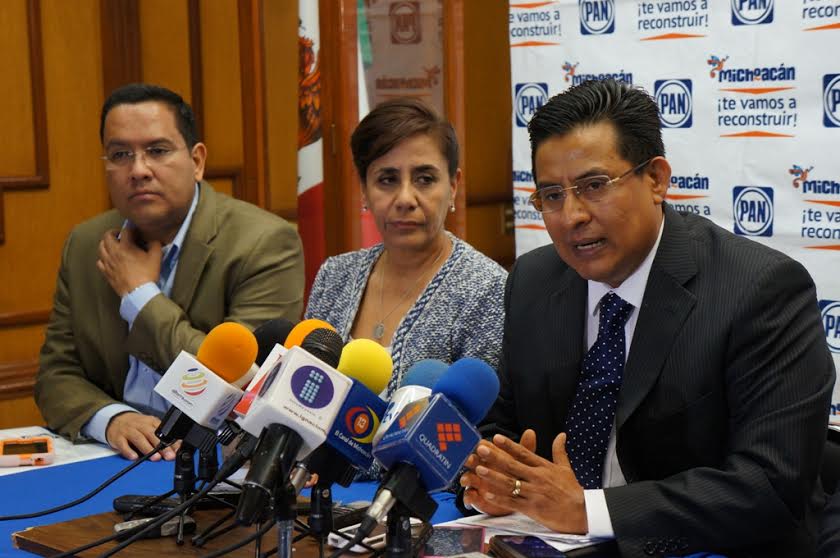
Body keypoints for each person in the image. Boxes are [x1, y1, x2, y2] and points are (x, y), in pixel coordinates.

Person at [460, 79, 835, 557]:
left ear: (656, 179)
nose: (571, 216)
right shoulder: (534, 281)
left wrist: (589, 511)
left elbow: (769, 486)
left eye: (594, 186)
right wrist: (492, 480)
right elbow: (502, 426)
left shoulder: (759, 290)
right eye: (551, 195)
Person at [35, 83, 304, 461]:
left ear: (197, 161)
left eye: (157, 151)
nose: (138, 170)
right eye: (120, 154)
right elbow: (55, 373)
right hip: (115, 454)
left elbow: (241, 385)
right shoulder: (85, 244)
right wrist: (112, 419)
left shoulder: (265, 243)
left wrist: (140, 295)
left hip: (211, 458)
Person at [305, 98, 506, 396]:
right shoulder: (334, 275)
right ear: (364, 190)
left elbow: (485, 414)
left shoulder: (487, 289)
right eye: (387, 179)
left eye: (425, 179)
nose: (405, 199)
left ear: (453, 186)